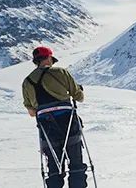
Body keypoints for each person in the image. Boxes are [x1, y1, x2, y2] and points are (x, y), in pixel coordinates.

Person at [21, 46, 88, 188]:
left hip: (47, 127)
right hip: (68, 122)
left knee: (54, 167)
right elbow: (79, 97)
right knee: (76, 164)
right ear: (49, 58)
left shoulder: (27, 82)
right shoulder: (61, 72)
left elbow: (32, 112)